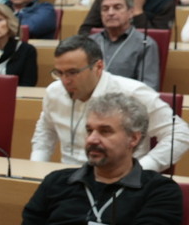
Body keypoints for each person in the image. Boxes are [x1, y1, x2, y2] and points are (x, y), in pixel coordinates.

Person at [12, 92, 182, 225]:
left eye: (105, 131)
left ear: (133, 138)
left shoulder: (159, 190)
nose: (92, 139)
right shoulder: (57, 181)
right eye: (89, 130)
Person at [31, 35, 188, 173]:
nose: (65, 81)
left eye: (72, 72)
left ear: (98, 67)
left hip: (119, 182)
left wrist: (142, 169)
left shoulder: (133, 93)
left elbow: (179, 133)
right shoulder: (54, 91)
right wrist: (36, 167)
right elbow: (45, 131)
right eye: (59, 73)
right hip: (67, 180)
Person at [88, 0, 161, 89]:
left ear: (131, 12)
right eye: (105, 9)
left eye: (117, 7)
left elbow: (149, 88)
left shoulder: (145, 44)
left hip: (126, 103)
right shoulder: (90, 43)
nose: (110, 13)